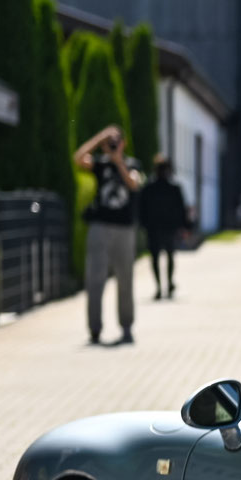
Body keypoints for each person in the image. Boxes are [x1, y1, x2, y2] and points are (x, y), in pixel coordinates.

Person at [75, 124, 140, 344]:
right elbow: (78, 158)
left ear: (124, 143)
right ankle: (94, 329)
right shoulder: (99, 165)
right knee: (95, 279)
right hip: (100, 227)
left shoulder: (131, 164)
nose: (113, 144)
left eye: (116, 140)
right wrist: (99, 137)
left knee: (125, 279)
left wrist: (118, 160)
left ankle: (127, 326)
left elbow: (133, 184)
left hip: (124, 230)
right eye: (110, 141)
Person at [139, 156, 190, 300]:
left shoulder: (150, 188)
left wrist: (143, 225)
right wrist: (184, 226)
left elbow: (141, 208)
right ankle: (166, 285)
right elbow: (181, 209)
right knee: (169, 256)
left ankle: (160, 287)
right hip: (168, 227)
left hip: (154, 227)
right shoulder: (173, 188)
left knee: (156, 258)